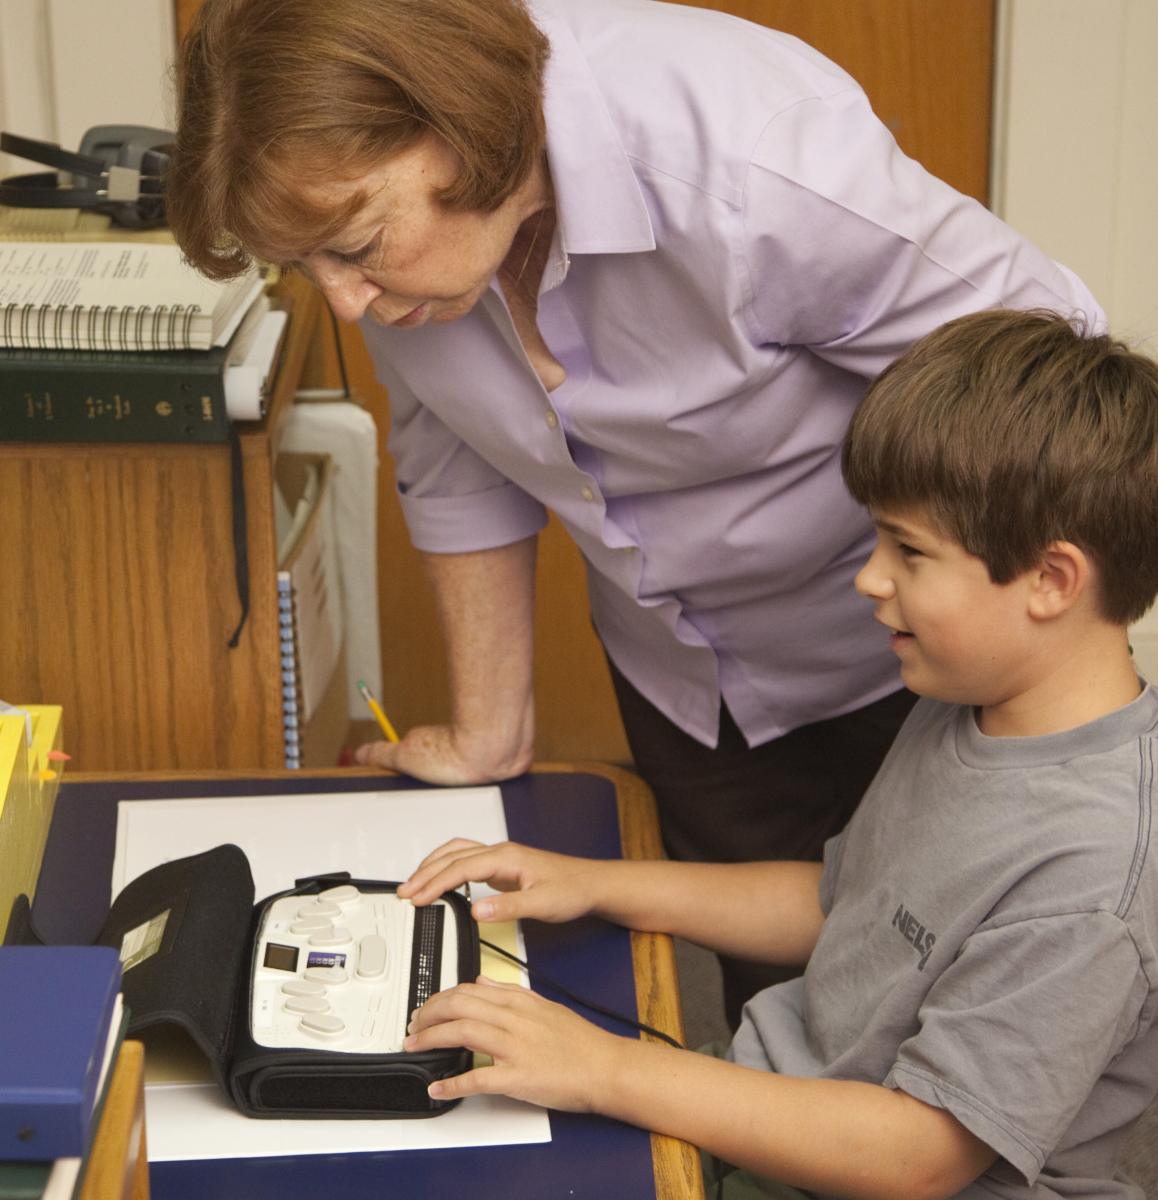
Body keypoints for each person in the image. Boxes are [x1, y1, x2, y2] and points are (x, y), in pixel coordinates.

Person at [167, 0, 1102, 1023]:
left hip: (925, 666)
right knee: (787, 1019)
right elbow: (453, 441)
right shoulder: (408, 267)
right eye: (309, 268)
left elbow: (1048, 381)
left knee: (968, 1017)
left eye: (356, 244)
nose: (345, 302)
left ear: (463, 131)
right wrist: (489, 728)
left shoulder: (751, 154)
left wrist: (1033, 715)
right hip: (685, 673)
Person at [398, 310, 1158, 1199]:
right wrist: (596, 881)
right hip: (787, 1110)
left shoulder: (1094, 877)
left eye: (908, 552)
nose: (870, 578)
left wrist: (604, 1070)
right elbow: (843, 904)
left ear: (1052, 581)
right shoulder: (973, 707)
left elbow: (919, 1155)